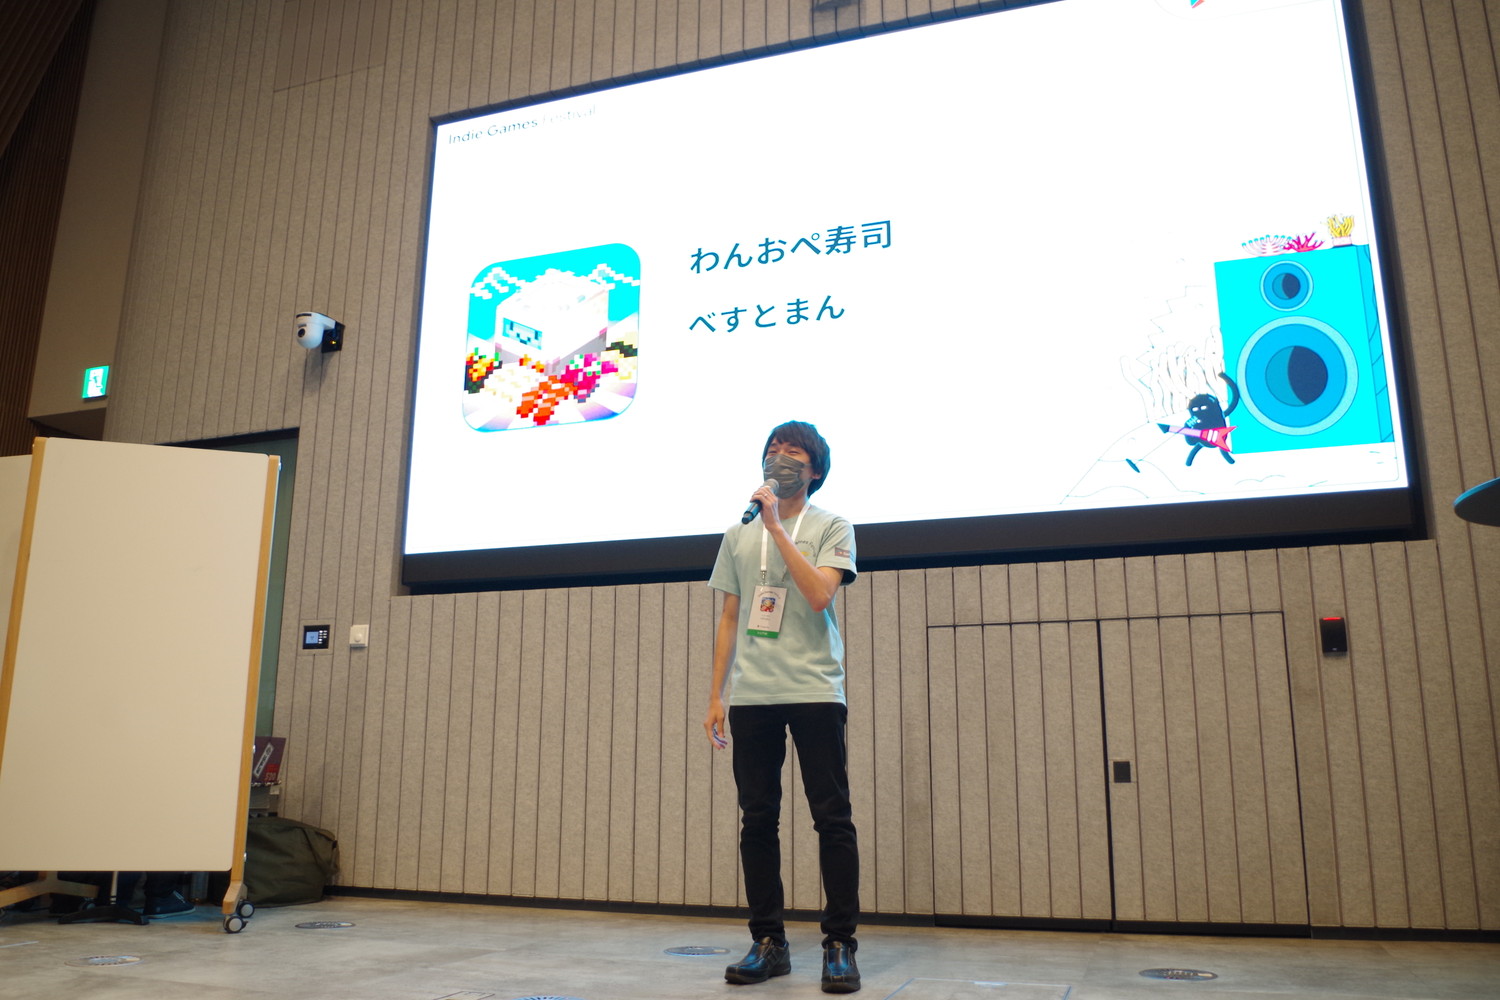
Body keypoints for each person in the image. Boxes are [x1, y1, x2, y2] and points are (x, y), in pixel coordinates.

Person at [704, 420, 861, 994]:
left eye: (793, 452)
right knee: (757, 819)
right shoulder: (737, 534)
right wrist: (717, 694)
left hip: (815, 689)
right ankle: (768, 942)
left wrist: (777, 527)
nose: (780, 459)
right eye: (773, 450)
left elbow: (819, 594)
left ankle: (839, 945)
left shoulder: (831, 526)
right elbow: (729, 616)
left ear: (814, 470)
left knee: (831, 817)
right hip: (754, 694)